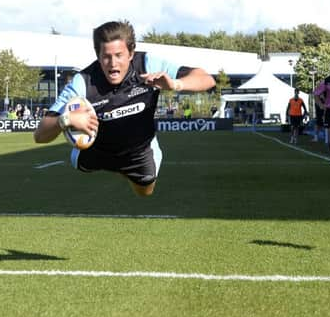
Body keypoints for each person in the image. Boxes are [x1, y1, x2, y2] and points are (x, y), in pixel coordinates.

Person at [33, 20, 216, 196]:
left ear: (131, 53)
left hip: (139, 151)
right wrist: (66, 119)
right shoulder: (83, 82)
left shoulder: (147, 64)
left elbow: (206, 79)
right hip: (95, 151)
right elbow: (40, 136)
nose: (113, 63)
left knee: (145, 192)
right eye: (106, 56)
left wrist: (175, 84)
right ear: (98, 56)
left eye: (119, 55)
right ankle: (113, 165)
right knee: (81, 164)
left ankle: (126, 170)